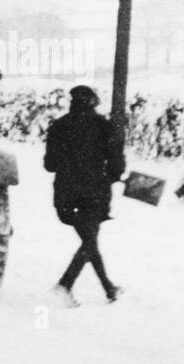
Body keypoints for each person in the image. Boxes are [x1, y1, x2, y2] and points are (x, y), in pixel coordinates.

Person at [44, 84, 126, 304]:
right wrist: (112, 176)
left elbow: (49, 165)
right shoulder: (104, 127)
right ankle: (65, 285)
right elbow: (117, 164)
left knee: (89, 241)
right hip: (95, 193)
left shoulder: (58, 127)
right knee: (89, 242)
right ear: (93, 103)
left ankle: (109, 288)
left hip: (65, 194)